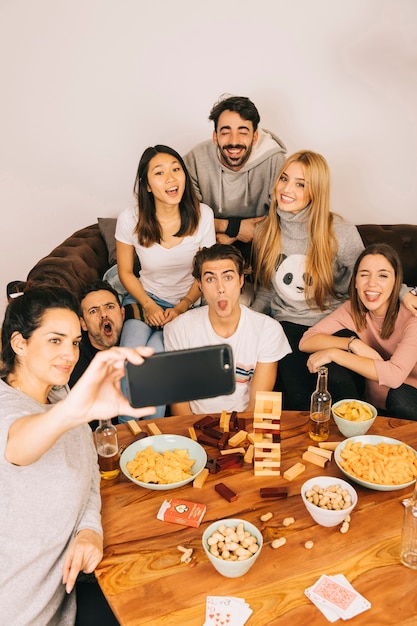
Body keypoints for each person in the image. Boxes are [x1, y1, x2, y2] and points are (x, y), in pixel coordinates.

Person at [0, 285, 155, 625]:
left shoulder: (58, 392)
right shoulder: (9, 406)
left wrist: (89, 530)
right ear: (19, 344)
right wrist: (75, 412)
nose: (70, 354)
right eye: (55, 340)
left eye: (73, 342)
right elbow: (17, 446)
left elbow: (88, 476)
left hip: (67, 597)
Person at [251, 150, 417, 411]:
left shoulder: (338, 230)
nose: (287, 189)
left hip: (333, 323)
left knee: (341, 391)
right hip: (288, 325)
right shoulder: (265, 231)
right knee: (297, 393)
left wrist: (403, 292)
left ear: (315, 191)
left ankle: (348, 449)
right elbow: (264, 290)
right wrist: (245, 322)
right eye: (284, 179)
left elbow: (368, 274)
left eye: (300, 184)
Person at [164, 243, 291, 415]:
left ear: (241, 281)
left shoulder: (268, 330)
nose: (220, 288)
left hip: (243, 427)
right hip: (193, 429)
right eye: (210, 279)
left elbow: (257, 404)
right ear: (200, 285)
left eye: (228, 277)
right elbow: (180, 406)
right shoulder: (178, 330)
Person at [114, 144, 215, 356]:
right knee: (129, 358)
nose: (171, 178)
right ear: (148, 185)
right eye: (159, 172)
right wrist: (148, 305)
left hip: (189, 303)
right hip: (145, 297)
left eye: (176, 169)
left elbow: (208, 271)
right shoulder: (129, 219)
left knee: (156, 355)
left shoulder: (203, 215)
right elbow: (125, 272)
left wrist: (181, 308)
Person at [299, 244, 417, 420]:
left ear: (397, 283)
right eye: (364, 275)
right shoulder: (353, 310)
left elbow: (394, 377)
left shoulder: (412, 317)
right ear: (355, 281)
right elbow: (307, 341)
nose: (372, 283)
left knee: (398, 398)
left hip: (408, 399)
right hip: (373, 401)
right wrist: (352, 343)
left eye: (383, 276)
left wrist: (334, 353)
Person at [183, 94, 287, 263]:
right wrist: (235, 228)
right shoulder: (195, 159)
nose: (234, 141)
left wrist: (232, 236)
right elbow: (183, 215)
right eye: (225, 132)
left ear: (254, 137)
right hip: (211, 242)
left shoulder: (275, 161)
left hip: (260, 241)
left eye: (242, 132)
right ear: (215, 136)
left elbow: (286, 215)